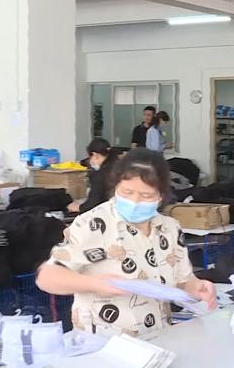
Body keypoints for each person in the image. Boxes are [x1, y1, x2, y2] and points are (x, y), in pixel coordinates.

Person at [37, 149, 216, 339]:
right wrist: (94, 283)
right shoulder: (93, 224)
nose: (135, 201)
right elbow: (47, 277)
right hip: (104, 343)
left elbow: (182, 280)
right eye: (127, 192)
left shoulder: (169, 228)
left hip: (157, 338)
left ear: (161, 196)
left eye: (146, 195)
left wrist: (196, 287)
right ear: (116, 186)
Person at [68, 138, 120, 214]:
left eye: (90, 157)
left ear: (95, 155)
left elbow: (93, 203)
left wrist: (78, 207)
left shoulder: (100, 175)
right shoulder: (120, 166)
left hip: (107, 212)